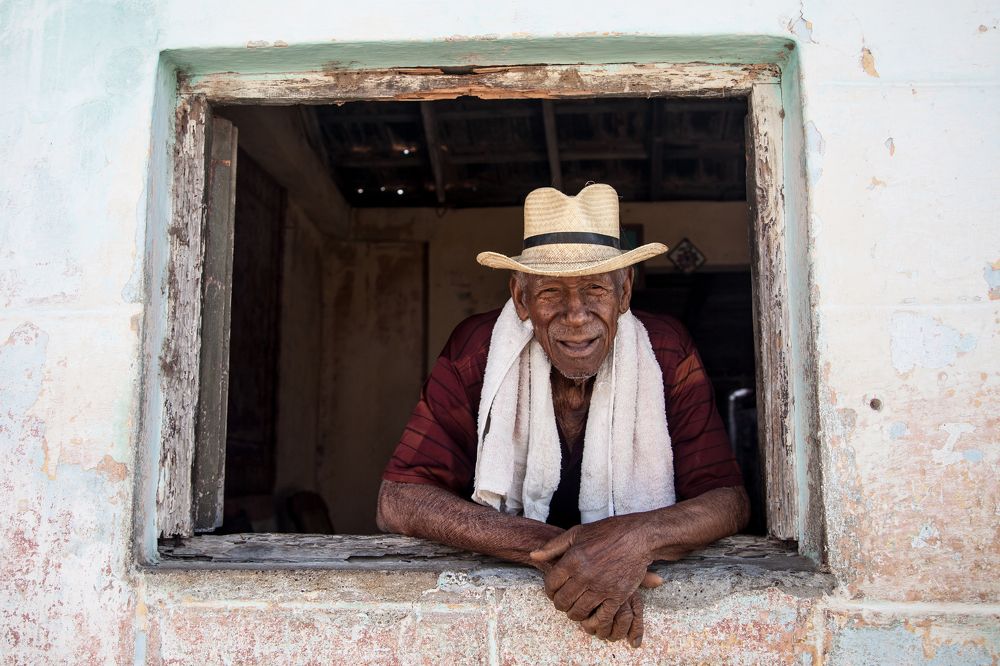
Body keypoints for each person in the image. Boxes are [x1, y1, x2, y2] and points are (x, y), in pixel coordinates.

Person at [377, 183, 749, 647]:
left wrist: (635, 542)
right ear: (520, 297)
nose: (576, 315)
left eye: (595, 288)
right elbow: (399, 500)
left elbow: (727, 500)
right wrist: (577, 557)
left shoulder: (666, 351)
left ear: (625, 292)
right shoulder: (477, 352)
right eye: (551, 291)